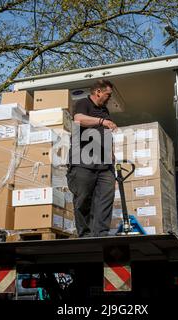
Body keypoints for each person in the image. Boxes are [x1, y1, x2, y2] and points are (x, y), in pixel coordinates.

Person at [67, 79, 117, 238]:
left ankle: (101, 235)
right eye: (108, 95)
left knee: (105, 200)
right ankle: (86, 236)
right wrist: (102, 121)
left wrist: (112, 154)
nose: (109, 98)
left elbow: (107, 135)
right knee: (83, 201)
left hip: (104, 165)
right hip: (83, 162)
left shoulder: (105, 111)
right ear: (98, 92)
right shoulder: (83, 103)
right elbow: (79, 119)